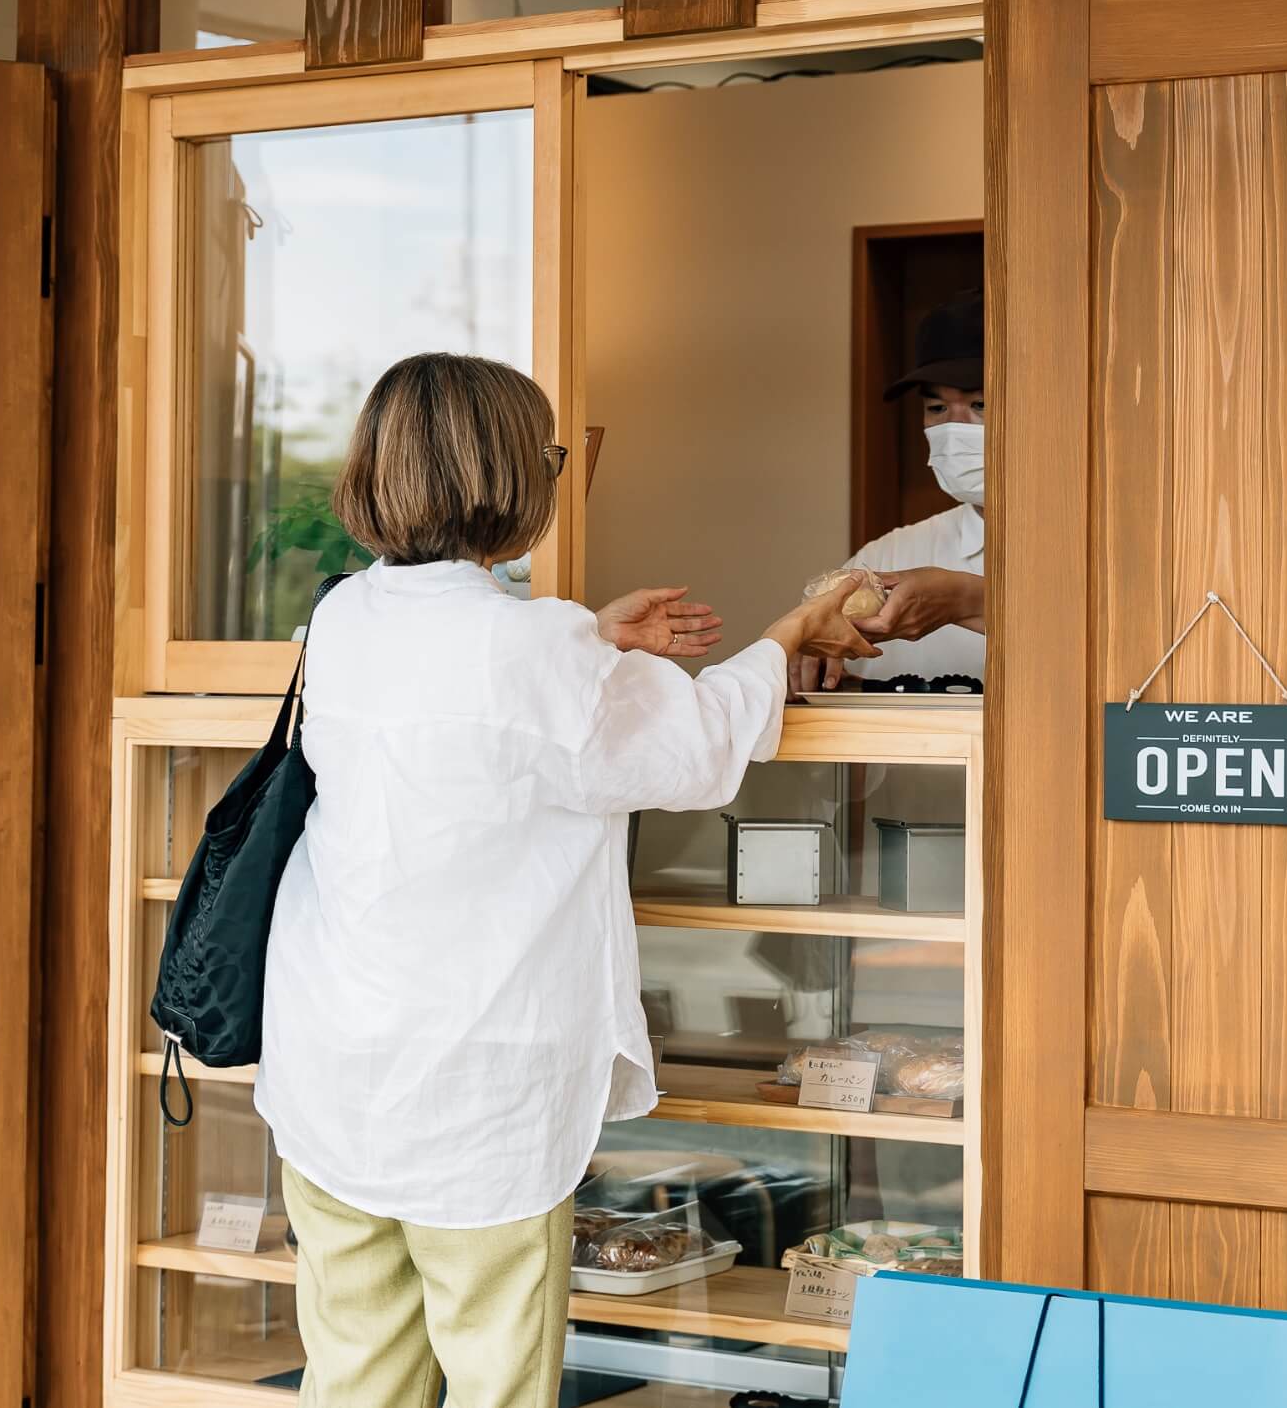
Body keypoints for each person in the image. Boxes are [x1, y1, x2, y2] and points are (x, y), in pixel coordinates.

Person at [253, 352, 878, 1408]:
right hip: (478, 1084)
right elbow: (693, 745)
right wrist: (790, 630)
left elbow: (471, 693)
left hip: (331, 1058)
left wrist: (592, 637)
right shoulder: (539, 646)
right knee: (497, 1375)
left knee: (356, 1371)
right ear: (512, 477)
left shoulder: (344, 619)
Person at [791, 287, 986, 694]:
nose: (954, 429)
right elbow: (813, 672)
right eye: (936, 409)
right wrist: (801, 662)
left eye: (980, 405)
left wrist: (970, 601)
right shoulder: (889, 558)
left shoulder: (1101, 546)